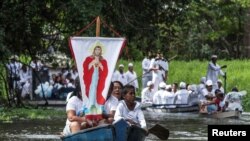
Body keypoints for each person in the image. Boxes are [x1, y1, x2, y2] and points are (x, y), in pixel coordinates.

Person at [83, 45, 108, 120]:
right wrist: (92, 63)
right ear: (94, 50)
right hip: (92, 77)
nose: (97, 51)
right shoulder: (89, 59)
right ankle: (90, 106)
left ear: (101, 51)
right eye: (96, 49)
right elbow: (85, 68)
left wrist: (100, 65)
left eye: (99, 50)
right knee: (92, 89)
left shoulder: (103, 60)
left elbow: (105, 71)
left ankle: (97, 108)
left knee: (97, 91)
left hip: (99, 78)